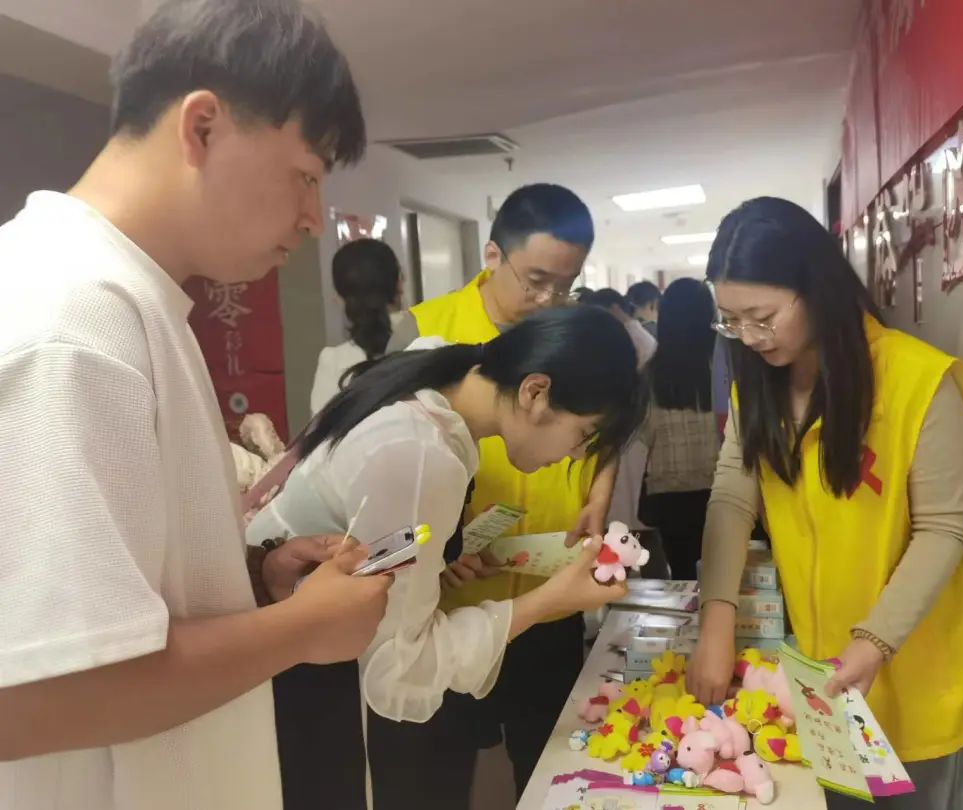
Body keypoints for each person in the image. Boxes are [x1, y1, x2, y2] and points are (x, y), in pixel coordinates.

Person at [0, 3, 393, 809]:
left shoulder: (128, 301)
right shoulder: (73, 318)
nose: (314, 219)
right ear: (203, 127)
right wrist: (303, 629)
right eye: (307, 174)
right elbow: (35, 698)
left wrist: (251, 580)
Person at [248, 306, 648, 809]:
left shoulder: (437, 365)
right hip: (295, 678)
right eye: (584, 434)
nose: (574, 456)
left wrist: (435, 563)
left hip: (282, 629)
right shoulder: (421, 454)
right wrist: (551, 600)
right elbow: (398, 667)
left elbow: (378, 543)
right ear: (535, 392)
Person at [687, 197, 963, 810]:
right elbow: (731, 498)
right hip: (825, 691)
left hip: (925, 693)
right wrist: (715, 624)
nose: (748, 337)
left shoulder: (918, 381)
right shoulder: (759, 388)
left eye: (762, 317)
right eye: (732, 321)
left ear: (817, 288)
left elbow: (944, 530)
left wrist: (874, 641)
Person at [384, 183, 616, 798]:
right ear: (493, 256)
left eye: (565, 285)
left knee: (551, 766)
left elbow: (605, 429)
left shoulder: (568, 336)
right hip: (451, 602)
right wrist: (439, 547)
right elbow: (390, 471)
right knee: (440, 771)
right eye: (536, 281)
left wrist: (599, 495)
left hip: (549, 588)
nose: (548, 301)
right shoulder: (428, 330)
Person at [638, 278, 719, 579]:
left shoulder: (650, 374)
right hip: (724, 488)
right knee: (729, 574)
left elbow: (644, 433)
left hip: (669, 494)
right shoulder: (726, 366)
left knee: (685, 575)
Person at [311, 238, 404, 414]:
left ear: (339, 297)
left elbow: (322, 429)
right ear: (399, 284)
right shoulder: (432, 338)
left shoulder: (334, 361)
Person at [580, 287, 657, 369]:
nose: (597, 320)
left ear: (615, 308)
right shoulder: (636, 333)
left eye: (599, 314)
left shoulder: (625, 337)